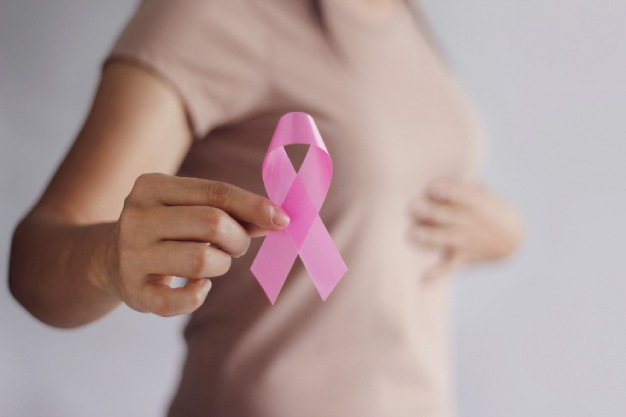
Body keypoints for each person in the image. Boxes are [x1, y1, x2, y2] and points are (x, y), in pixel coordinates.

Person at [8, 0, 522, 416]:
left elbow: (385, 191)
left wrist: (503, 234)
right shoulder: (212, 14)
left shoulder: (405, 17)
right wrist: (106, 261)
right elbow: (36, 261)